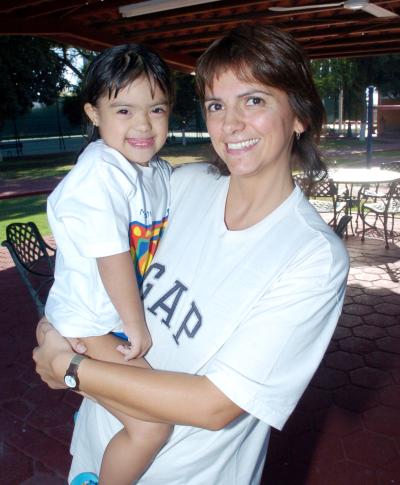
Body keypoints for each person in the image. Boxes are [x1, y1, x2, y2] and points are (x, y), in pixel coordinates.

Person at [34, 25, 349, 485]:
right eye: (216, 105)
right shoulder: (183, 185)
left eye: (254, 100)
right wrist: (54, 323)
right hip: (97, 447)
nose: (231, 123)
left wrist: (69, 367)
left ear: (299, 115)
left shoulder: (312, 257)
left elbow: (215, 405)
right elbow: (94, 255)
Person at [44, 44, 174, 484]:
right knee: (152, 425)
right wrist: (135, 325)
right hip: (89, 323)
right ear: (94, 113)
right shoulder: (101, 173)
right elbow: (113, 258)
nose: (142, 124)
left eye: (156, 109)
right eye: (124, 110)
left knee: (131, 411)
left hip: (103, 319)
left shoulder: (154, 172)